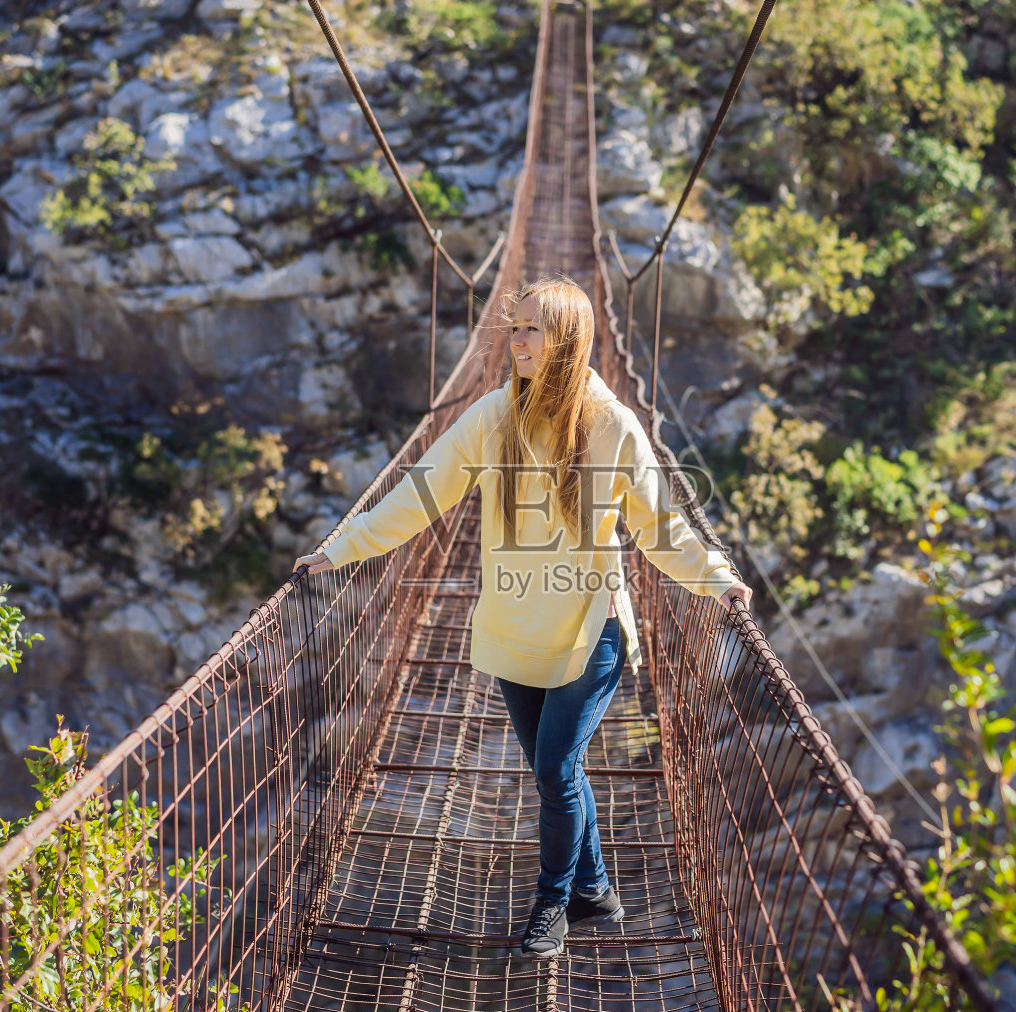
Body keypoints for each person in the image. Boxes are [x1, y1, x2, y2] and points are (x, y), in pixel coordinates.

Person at [294, 276, 752, 959]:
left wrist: (719, 580)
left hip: (590, 626)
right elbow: (418, 496)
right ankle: (595, 887)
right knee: (555, 771)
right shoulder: (492, 416)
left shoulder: (612, 425)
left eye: (532, 329)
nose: (517, 341)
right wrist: (338, 549)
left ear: (567, 339)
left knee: (555, 769)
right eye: (515, 327)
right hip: (514, 626)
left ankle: (552, 903)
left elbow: (662, 531)